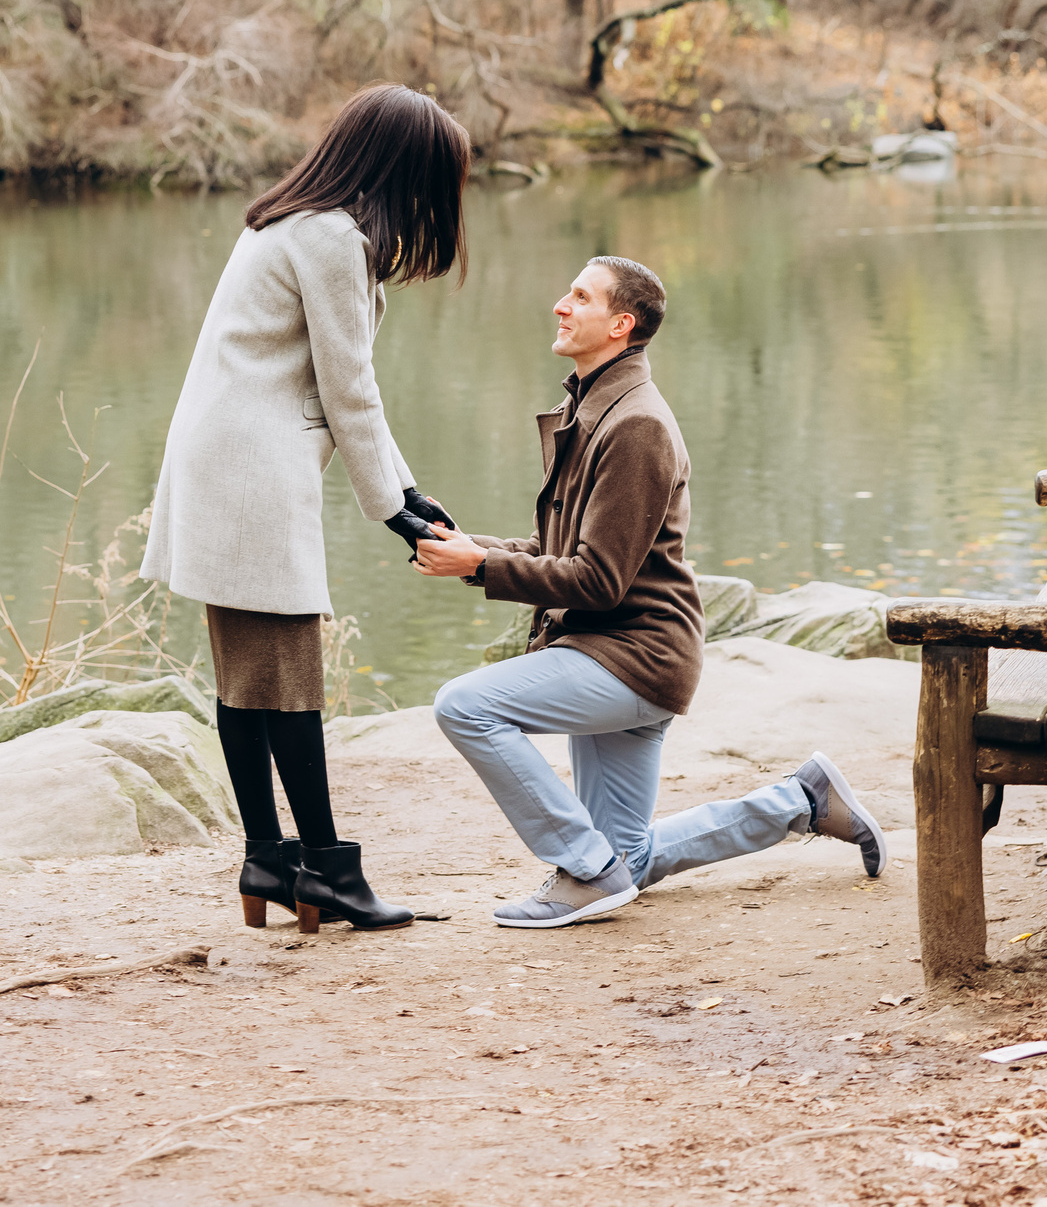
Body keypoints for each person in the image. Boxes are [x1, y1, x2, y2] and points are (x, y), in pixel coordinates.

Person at [413, 257, 887, 928]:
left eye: (580, 296)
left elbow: (598, 581)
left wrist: (483, 567)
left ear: (621, 323)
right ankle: (800, 803)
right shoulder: (593, 408)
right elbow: (562, 551)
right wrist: (471, 551)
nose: (560, 304)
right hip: (614, 651)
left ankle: (582, 868)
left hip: (631, 656)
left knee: (465, 706)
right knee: (626, 860)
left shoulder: (636, 425)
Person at [142, 83, 469, 935]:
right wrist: (393, 508)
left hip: (228, 459)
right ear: (405, 169)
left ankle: (269, 856)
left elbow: (346, 388)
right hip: (249, 469)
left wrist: (407, 488)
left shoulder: (292, 223)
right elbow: (347, 387)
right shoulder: (330, 239)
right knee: (286, 676)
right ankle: (325, 871)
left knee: (251, 677)